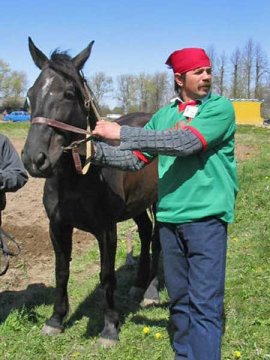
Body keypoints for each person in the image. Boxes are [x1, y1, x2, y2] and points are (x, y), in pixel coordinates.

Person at [91, 48, 238, 360]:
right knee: (181, 302)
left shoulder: (220, 109)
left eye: (208, 71)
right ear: (179, 78)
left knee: (205, 304)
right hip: (170, 220)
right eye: (199, 72)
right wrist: (94, 154)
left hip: (206, 220)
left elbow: (184, 143)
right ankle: (184, 354)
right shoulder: (164, 115)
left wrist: (122, 132)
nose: (207, 77)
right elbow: (135, 159)